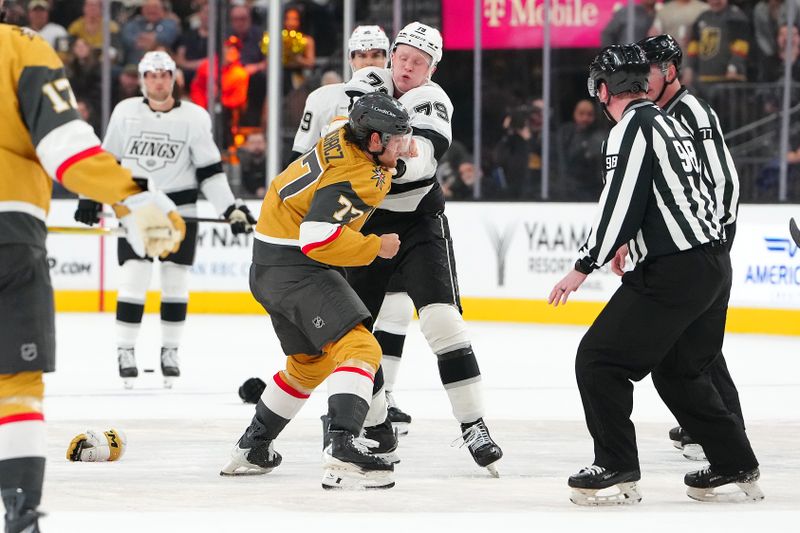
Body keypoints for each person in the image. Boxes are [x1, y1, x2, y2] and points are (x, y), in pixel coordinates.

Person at [549, 44, 762, 505]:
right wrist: (637, 242)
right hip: (710, 264)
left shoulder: (631, 128)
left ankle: (615, 463)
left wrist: (582, 265)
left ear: (603, 91)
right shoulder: (669, 122)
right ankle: (735, 460)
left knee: (598, 361)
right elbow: (686, 191)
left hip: (675, 269)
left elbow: (618, 203)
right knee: (679, 372)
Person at [0, 7, 185, 531]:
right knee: (15, 385)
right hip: (8, 233)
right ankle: (19, 514)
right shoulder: (20, 46)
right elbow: (67, 150)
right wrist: (133, 197)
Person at [219, 92, 413, 490]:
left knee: (308, 365)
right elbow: (316, 238)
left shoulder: (343, 131)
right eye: (395, 139)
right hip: (298, 266)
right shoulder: (361, 176)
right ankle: (343, 445)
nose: (402, 145)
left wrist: (393, 159)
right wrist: (377, 247)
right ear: (372, 141)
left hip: (267, 265)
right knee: (362, 349)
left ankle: (253, 447)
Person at [341, 22, 503, 475]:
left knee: (443, 321)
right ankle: (375, 425)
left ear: (432, 68)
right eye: (403, 57)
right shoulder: (366, 84)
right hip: (367, 224)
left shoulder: (433, 100)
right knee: (359, 333)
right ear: (391, 54)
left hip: (417, 224)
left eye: (420, 62)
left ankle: (474, 424)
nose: (408, 67)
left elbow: (421, 162)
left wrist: (373, 158)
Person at [73, 51, 255, 389]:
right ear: (143, 80)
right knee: (134, 278)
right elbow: (106, 160)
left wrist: (230, 208)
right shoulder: (125, 112)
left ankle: (169, 352)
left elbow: (210, 172)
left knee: (175, 283)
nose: (158, 81)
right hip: (136, 208)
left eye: (164, 74)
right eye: (152, 75)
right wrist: (90, 197)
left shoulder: (195, 117)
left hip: (181, 211)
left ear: (174, 78)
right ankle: (125, 351)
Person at [290, 25, 416, 432]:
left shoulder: (406, 99)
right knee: (350, 315)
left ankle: (386, 393)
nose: (369, 61)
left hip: (389, 213)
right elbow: (301, 158)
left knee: (395, 307)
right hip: (343, 212)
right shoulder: (325, 98)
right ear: (349, 59)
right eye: (361, 55)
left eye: (377, 53)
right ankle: (346, 400)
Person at [636, 34, 744, 461]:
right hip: (696, 240)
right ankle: (710, 421)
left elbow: (723, 179)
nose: (640, 81)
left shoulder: (691, 111)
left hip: (705, 240)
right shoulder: (662, 113)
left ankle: (722, 424)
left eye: (647, 71)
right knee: (693, 338)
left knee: (699, 342)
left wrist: (711, 235)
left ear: (669, 71)